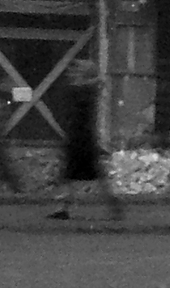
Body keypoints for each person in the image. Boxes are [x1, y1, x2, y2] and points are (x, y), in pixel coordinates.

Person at [49, 59, 123, 221]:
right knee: (79, 175)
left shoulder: (83, 90)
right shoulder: (88, 89)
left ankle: (112, 206)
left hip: (81, 138)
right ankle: (112, 207)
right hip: (81, 137)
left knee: (75, 175)